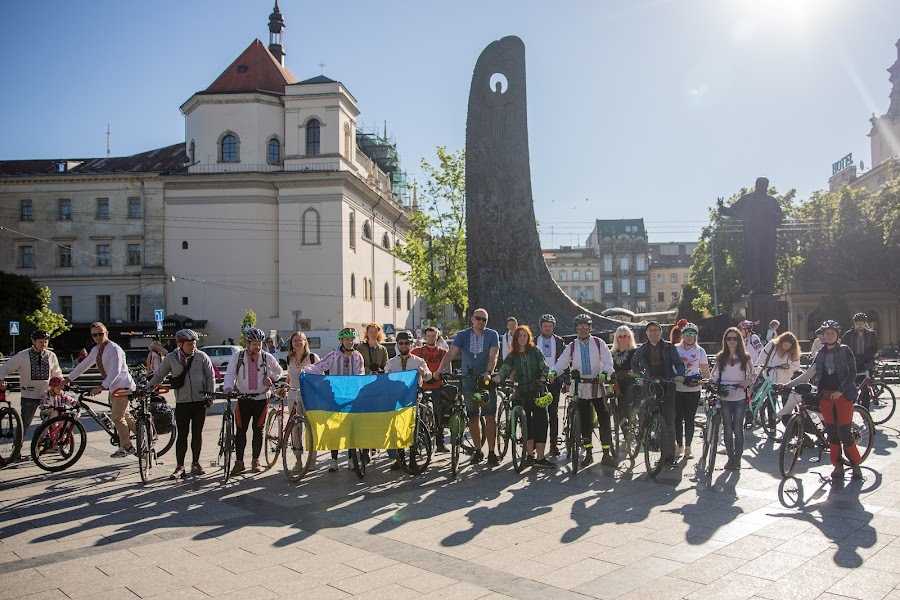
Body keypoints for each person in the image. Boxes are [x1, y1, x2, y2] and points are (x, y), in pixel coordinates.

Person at [782, 320, 863, 482]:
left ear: (837, 335)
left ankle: (855, 465)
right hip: (826, 396)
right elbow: (809, 374)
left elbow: (852, 373)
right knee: (832, 433)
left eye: (832, 333)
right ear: (823, 337)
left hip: (843, 396)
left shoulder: (845, 351)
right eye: (826, 333)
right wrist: (787, 385)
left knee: (845, 433)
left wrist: (840, 391)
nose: (829, 335)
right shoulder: (821, 353)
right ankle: (837, 466)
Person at [437, 308, 500, 466]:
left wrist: (488, 371)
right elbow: (451, 353)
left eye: (484, 320)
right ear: (472, 319)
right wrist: (439, 370)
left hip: (485, 379)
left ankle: (492, 452)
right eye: (478, 319)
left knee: (490, 416)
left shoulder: (492, 334)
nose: (481, 322)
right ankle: (478, 450)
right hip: (468, 379)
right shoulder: (463, 335)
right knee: (473, 416)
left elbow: (494, 356)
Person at [148, 329, 214, 479]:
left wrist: (210, 395)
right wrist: (148, 388)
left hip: (200, 402)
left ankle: (196, 464)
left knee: (197, 434)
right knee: (182, 435)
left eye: (194, 343)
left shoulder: (202, 356)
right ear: (180, 344)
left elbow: (210, 376)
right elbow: (159, 375)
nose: (193, 346)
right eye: (190, 344)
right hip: (182, 403)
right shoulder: (171, 358)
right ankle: (180, 467)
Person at [553, 314, 615, 467]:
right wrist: (553, 372)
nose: (582, 328)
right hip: (580, 386)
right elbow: (562, 362)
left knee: (604, 417)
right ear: (576, 329)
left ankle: (606, 453)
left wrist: (605, 373)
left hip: (597, 384)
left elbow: (608, 361)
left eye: (585, 326)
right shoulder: (572, 346)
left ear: (590, 327)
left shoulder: (599, 343)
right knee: (585, 420)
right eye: (579, 326)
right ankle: (588, 453)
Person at [67, 323, 137, 458]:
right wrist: (68, 379)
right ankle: (143, 435)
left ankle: (126, 446)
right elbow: (84, 365)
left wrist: (102, 386)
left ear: (107, 333)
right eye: (95, 335)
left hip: (123, 386)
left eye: (101, 334)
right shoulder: (96, 350)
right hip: (113, 387)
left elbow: (116, 371)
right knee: (125, 415)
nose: (98, 337)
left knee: (117, 417)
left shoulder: (115, 349)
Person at [223, 327, 284, 475]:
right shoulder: (238, 356)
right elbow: (230, 373)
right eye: (255, 343)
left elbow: (279, 371)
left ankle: (255, 461)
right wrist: (228, 388)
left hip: (261, 399)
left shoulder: (266, 357)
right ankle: (239, 462)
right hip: (243, 399)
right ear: (248, 343)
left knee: (258, 431)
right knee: (241, 431)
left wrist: (272, 378)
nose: (258, 347)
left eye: (260, 344)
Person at [303, 328, 365, 472]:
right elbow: (318, 367)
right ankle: (334, 460)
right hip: (335, 398)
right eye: (347, 339)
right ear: (341, 341)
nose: (350, 342)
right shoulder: (333, 355)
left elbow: (361, 375)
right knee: (334, 428)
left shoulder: (358, 356)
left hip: (351, 397)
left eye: (352, 339)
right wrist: (305, 371)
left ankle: (350, 458)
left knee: (351, 429)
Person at [496, 325, 552, 467]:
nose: (522, 338)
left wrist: (545, 376)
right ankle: (529, 456)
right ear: (515, 338)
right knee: (527, 425)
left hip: (537, 391)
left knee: (542, 423)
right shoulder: (512, 355)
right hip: (520, 393)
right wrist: (496, 379)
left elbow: (544, 367)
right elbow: (504, 370)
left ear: (528, 337)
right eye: (519, 336)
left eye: (524, 335)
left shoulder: (535, 351)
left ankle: (540, 458)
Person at [633, 321, 685, 468]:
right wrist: (640, 375)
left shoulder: (669, 347)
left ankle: (669, 456)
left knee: (668, 421)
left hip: (667, 385)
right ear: (647, 333)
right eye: (650, 331)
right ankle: (649, 440)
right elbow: (634, 363)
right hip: (650, 385)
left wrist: (679, 375)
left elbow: (679, 364)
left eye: (656, 330)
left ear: (660, 332)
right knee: (646, 415)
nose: (653, 333)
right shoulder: (642, 348)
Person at [0, 330, 63, 451]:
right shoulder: (23, 355)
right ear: (33, 341)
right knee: (24, 424)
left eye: (46, 341)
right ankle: (16, 449)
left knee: (51, 420)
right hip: (29, 395)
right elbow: (6, 367)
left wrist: (60, 383)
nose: (44, 344)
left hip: (47, 395)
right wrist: (1, 379)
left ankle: (46, 444)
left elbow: (57, 372)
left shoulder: (51, 355)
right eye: (40, 342)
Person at [385, 331, 433, 470]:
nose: (404, 346)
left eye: (407, 343)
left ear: (411, 344)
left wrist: (424, 373)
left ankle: (412, 458)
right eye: (401, 343)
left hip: (414, 398)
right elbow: (385, 379)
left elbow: (429, 376)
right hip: (397, 399)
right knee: (397, 428)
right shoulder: (391, 363)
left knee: (413, 428)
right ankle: (399, 459)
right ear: (397, 345)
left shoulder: (418, 361)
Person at [710, 327, 754, 470]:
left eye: (735, 338)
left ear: (739, 340)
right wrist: (715, 382)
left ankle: (738, 459)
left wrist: (746, 383)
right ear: (725, 340)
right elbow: (713, 375)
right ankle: (730, 458)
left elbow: (752, 376)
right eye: (729, 338)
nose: (732, 341)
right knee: (728, 429)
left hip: (740, 397)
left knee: (738, 428)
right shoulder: (720, 357)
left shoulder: (745, 357)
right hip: (724, 397)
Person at [284, 331, 319, 474]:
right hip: (293, 397)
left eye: (300, 340)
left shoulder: (312, 357)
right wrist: (285, 385)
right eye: (295, 341)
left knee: (311, 430)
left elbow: (320, 377)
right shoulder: (289, 358)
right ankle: (298, 460)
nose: (298, 343)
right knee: (295, 430)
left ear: (305, 342)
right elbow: (289, 376)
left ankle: (311, 461)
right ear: (291, 344)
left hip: (309, 397)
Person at [674, 323, 709, 459]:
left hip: (693, 389)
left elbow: (705, 371)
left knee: (689, 419)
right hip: (677, 388)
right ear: (682, 335)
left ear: (696, 336)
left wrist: (707, 381)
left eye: (692, 335)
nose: (689, 337)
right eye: (687, 334)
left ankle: (688, 448)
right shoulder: (675, 349)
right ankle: (679, 446)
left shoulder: (700, 351)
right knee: (678, 419)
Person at [412, 326, 450, 451]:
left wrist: (442, 374)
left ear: (437, 337)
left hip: (437, 386)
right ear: (425, 337)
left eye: (433, 336)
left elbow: (448, 369)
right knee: (419, 414)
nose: (431, 338)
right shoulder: (417, 351)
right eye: (428, 336)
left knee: (439, 413)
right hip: (422, 386)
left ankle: (440, 442)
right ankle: (419, 441)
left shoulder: (443, 352)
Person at [536, 314, 566, 457]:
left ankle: (553, 445)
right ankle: (538, 443)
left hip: (555, 380)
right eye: (545, 326)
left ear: (553, 327)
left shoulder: (559, 341)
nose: (547, 328)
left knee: (553, 414)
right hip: (538, 382)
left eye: (550, 326)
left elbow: (564, 361)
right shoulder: (534, 340)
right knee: (539, 415)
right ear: (541, 327)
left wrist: (564, 379)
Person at [759, 331, 802, 428]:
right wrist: (762, 369)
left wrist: (788, 367)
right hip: (771, 377)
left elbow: (796, 366)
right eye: (784, 345)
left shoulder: (793, 352)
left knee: (786, 403)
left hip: (786, 380)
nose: (786, 347)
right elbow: (762, 358)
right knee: (771, 401)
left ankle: (789, 426)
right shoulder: (772, 345)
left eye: (789, 346)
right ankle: (771, 425)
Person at [610, 325, 639, 450]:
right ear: (617, 338)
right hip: (616, 385)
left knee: (628, 408)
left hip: (631, 385)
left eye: (625, 336)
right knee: (618, 413)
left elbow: (638, 370)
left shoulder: (635, 352)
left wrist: (627, 373)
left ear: (630, 337)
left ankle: (633, 431)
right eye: (620, 336)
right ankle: (627, 433)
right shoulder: (612, 353)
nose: (623, 338)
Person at [842, 313, 877, 378]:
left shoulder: (871, 334)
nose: (859, 326)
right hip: (853, 361)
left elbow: (874, 348)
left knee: (867, 382)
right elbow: (844, 347)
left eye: (861, 324)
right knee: (853, 381)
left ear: (865, 324)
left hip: (867, 361)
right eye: (857, 324)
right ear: (854, 324)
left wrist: (869, 358)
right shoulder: (848, 335)